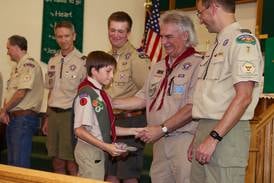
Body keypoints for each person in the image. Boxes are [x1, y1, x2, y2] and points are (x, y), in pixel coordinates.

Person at [113, 10, 202, 183]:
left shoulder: (198, 64)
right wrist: (110, 102)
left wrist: (162, 129)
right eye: (162, 37)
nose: (163, 42)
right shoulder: (159, 66)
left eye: (169, 37)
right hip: (159, 142)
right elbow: (143, 98)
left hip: (183, 141)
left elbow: (192, 108)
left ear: (185, 35)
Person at [187, 0, 263, 183]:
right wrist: (199, 136)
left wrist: (213, 137)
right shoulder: (218, 43)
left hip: (227, 134)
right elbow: (211, 98)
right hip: (207, 130)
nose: (200, 20)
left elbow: (244, 97)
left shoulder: (243, 42)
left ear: (213, 7)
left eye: (200, 13)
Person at [73, 50, 144, 180]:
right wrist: (107, 146)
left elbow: (105, 128)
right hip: (90, 151)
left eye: (113, 72)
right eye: (108, 71)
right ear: (94, 71)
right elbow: (79, 130)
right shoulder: (87, 95)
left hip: (97, 150)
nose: (112, 76)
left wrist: (134, 131)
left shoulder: (100, 93)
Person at [105, 11, 151, 183]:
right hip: (111, 121)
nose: (116, 35)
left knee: (129, 175)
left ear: (128, 33)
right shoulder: (107, 56)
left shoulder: (136, 58)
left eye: (121, 31)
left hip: (131, 121)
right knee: (111, 174)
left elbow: (147, 93)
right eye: (112, 30)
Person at [42, 21, 86, 175]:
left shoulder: (83, 62)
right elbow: (51, 91)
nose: (63, 40)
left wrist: (81, 122)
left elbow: (85, 96)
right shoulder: (52, 60)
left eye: (67, 36)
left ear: (74, 36)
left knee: (72, 162)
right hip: (53, 115)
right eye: (59, 36)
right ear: (55, 37)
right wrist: (47, 117)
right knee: (56, 160)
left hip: (71, 116)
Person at [0, 35, 44, 168]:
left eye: (8, 48)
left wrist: (4, 110)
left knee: (19, 163)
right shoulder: (17, 67)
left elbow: (20, 93)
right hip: (13, 118)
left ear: (15, 47)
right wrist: (5, 112)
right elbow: (10, 93)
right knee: (12, 163)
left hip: (23, 119)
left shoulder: (28, 65)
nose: (7, 52)